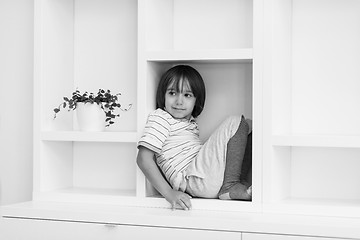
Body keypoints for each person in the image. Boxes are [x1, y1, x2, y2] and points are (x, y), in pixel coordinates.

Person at [137, 65, 252, 211]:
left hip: (204, 179)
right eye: (172, 93)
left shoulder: (188, 123)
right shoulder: (160, 117)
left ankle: (235, 184)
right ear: (162, 95)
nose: (179, 101)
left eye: (187, 95)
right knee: (236, 121)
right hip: (192, 179)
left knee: (249, 127)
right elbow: (143, 158)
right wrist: (169, 193)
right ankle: (231, 186)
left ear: (196, 100)